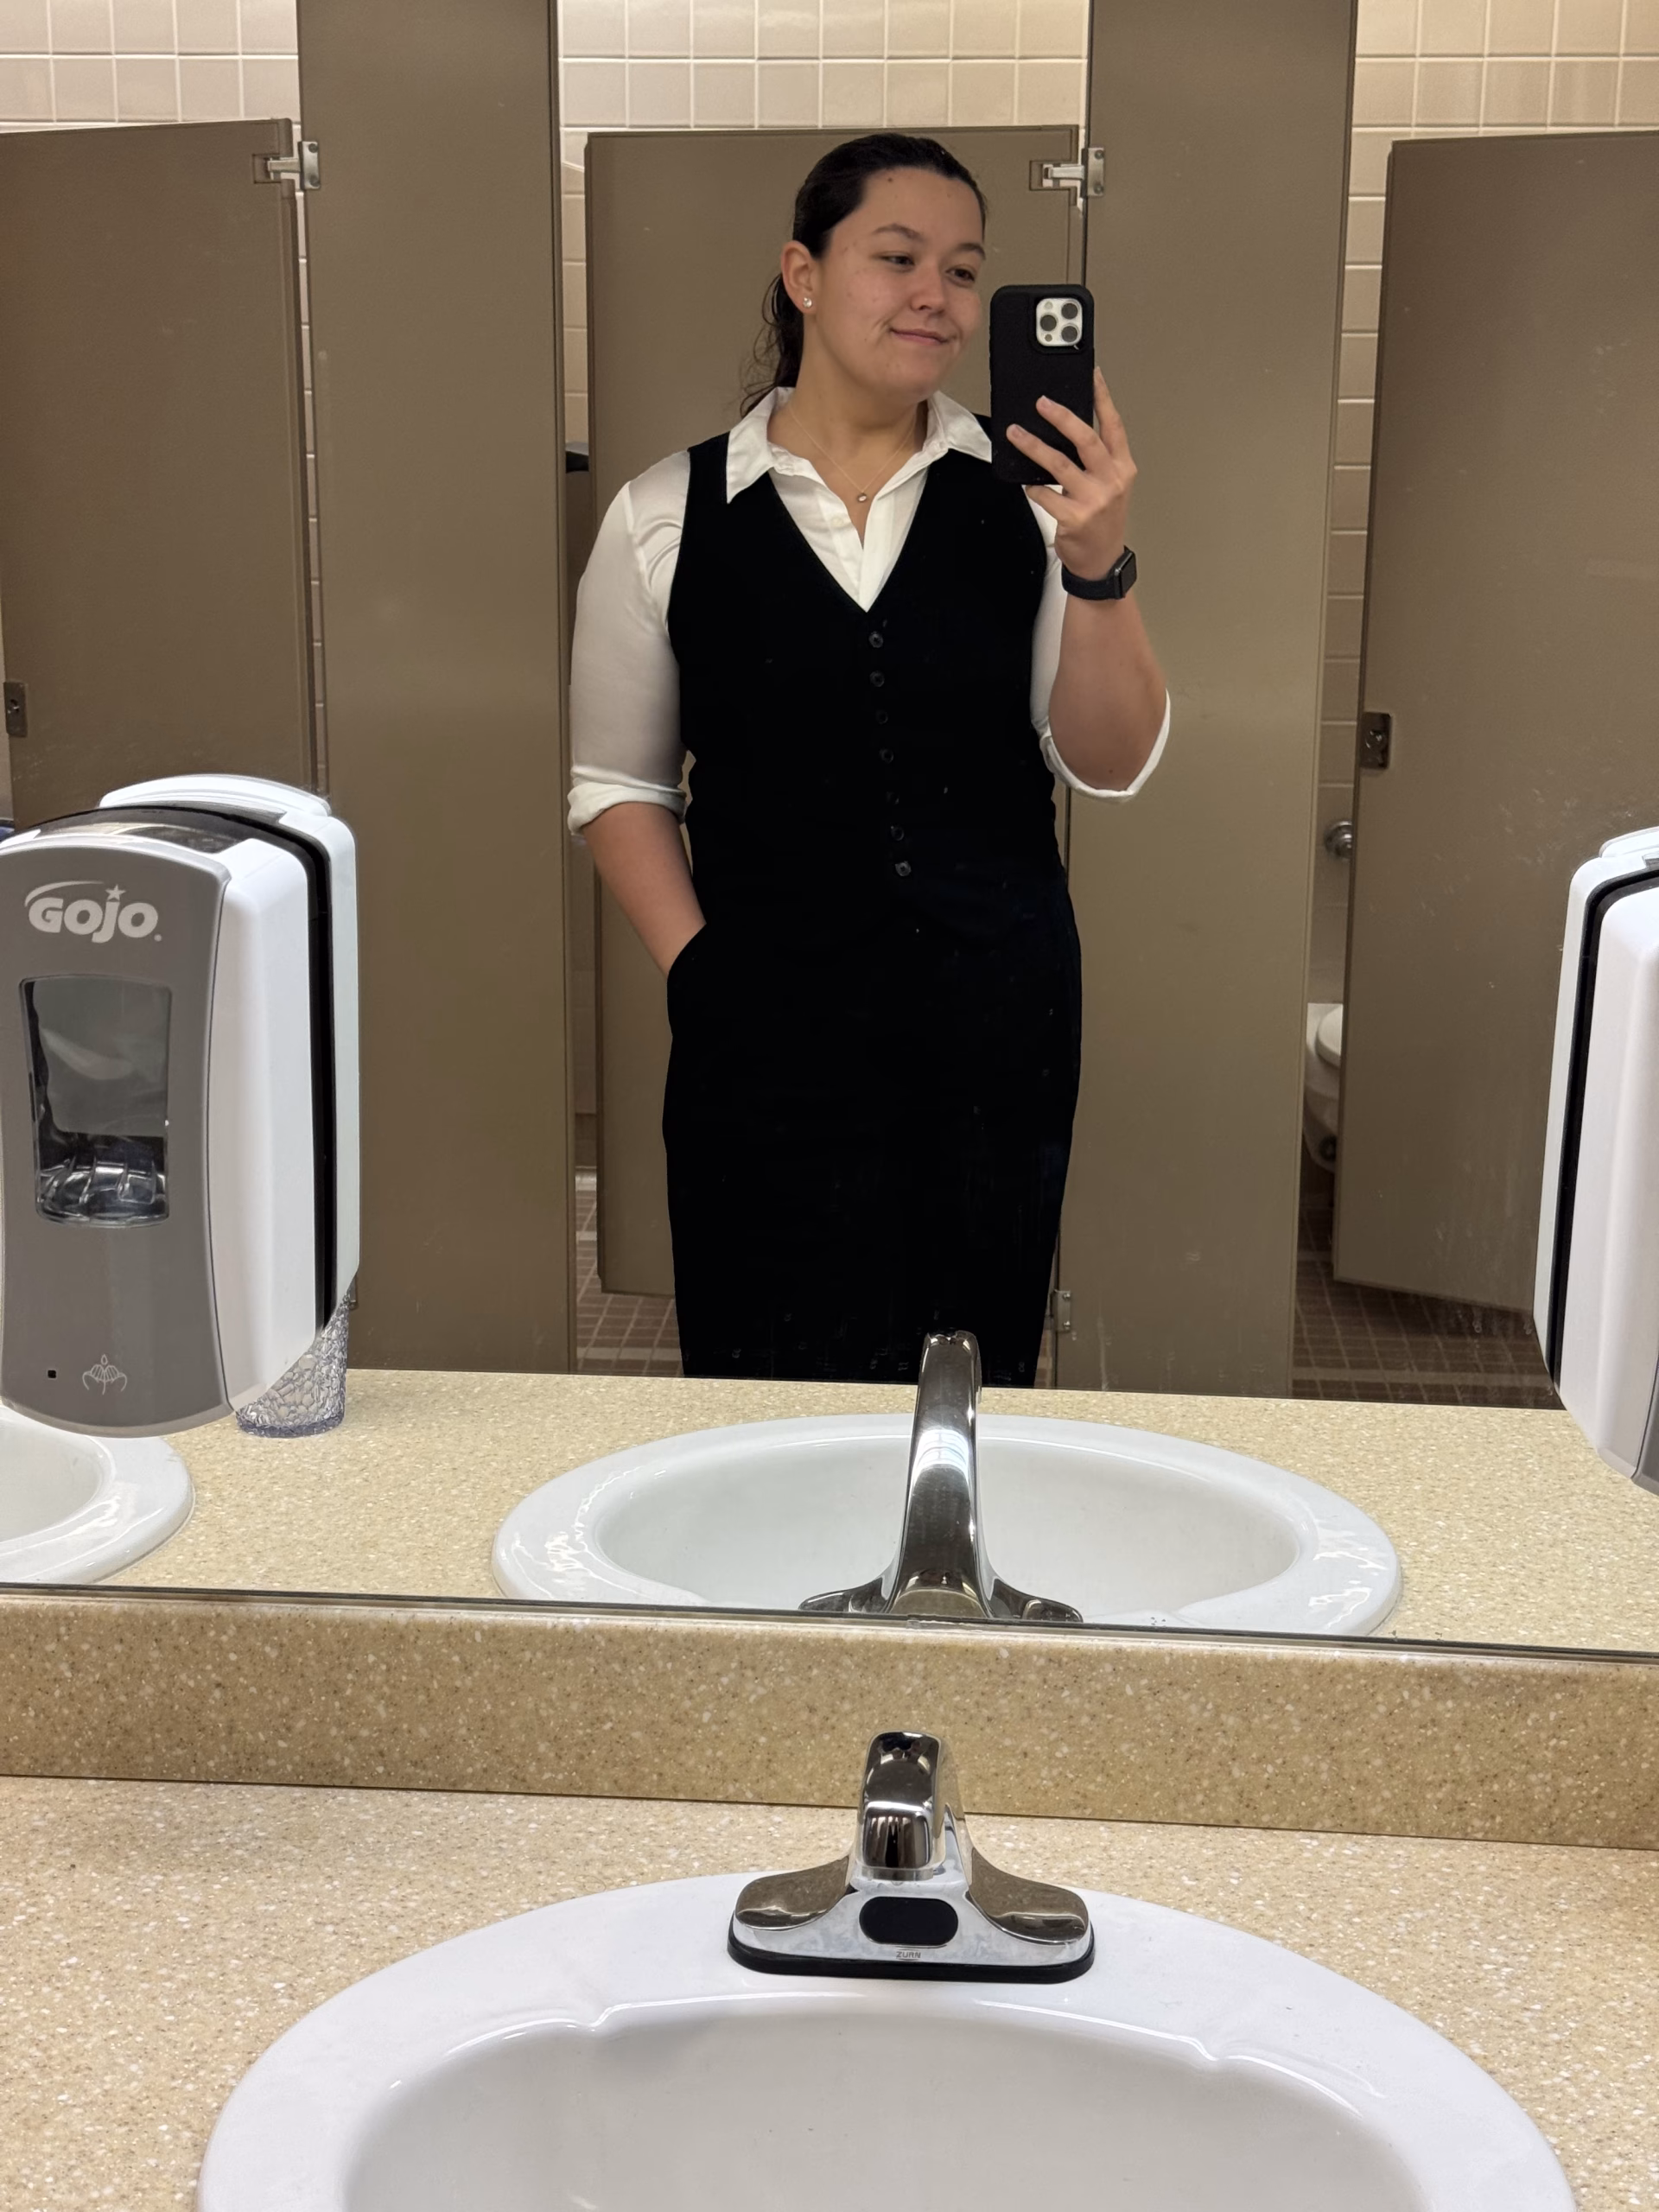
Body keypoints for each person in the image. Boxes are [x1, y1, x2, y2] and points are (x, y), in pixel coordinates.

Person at [569, 132, 1168, 1386]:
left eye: (963, 270)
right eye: (897, 258)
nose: (935, 296)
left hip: (996, 1022)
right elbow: (618, 786)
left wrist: (1099, 564)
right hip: (761, 1026)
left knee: (968, 1364)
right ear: (804, 274)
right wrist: (705, 974)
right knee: (760, 1364)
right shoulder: (665, 515)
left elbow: (1109, 763)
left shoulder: (1029, 502)